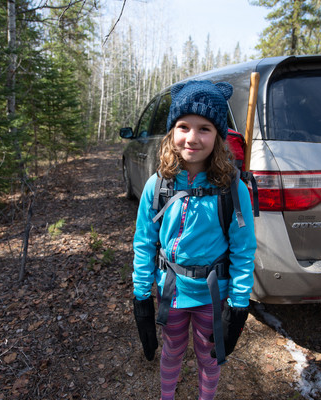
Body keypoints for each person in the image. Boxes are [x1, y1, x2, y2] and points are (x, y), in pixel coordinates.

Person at [132, 80, 257, 400]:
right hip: (171, 292)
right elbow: (144, 242)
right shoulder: (156, 186)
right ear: (172, 131)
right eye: (183, 126)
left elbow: (244, 249)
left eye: (204, 128)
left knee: (209, 357)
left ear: (218, 136)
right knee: (172, 350)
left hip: (213, 296)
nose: (192, 137)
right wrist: (142, 296)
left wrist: (239, 304)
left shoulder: (233, 189)